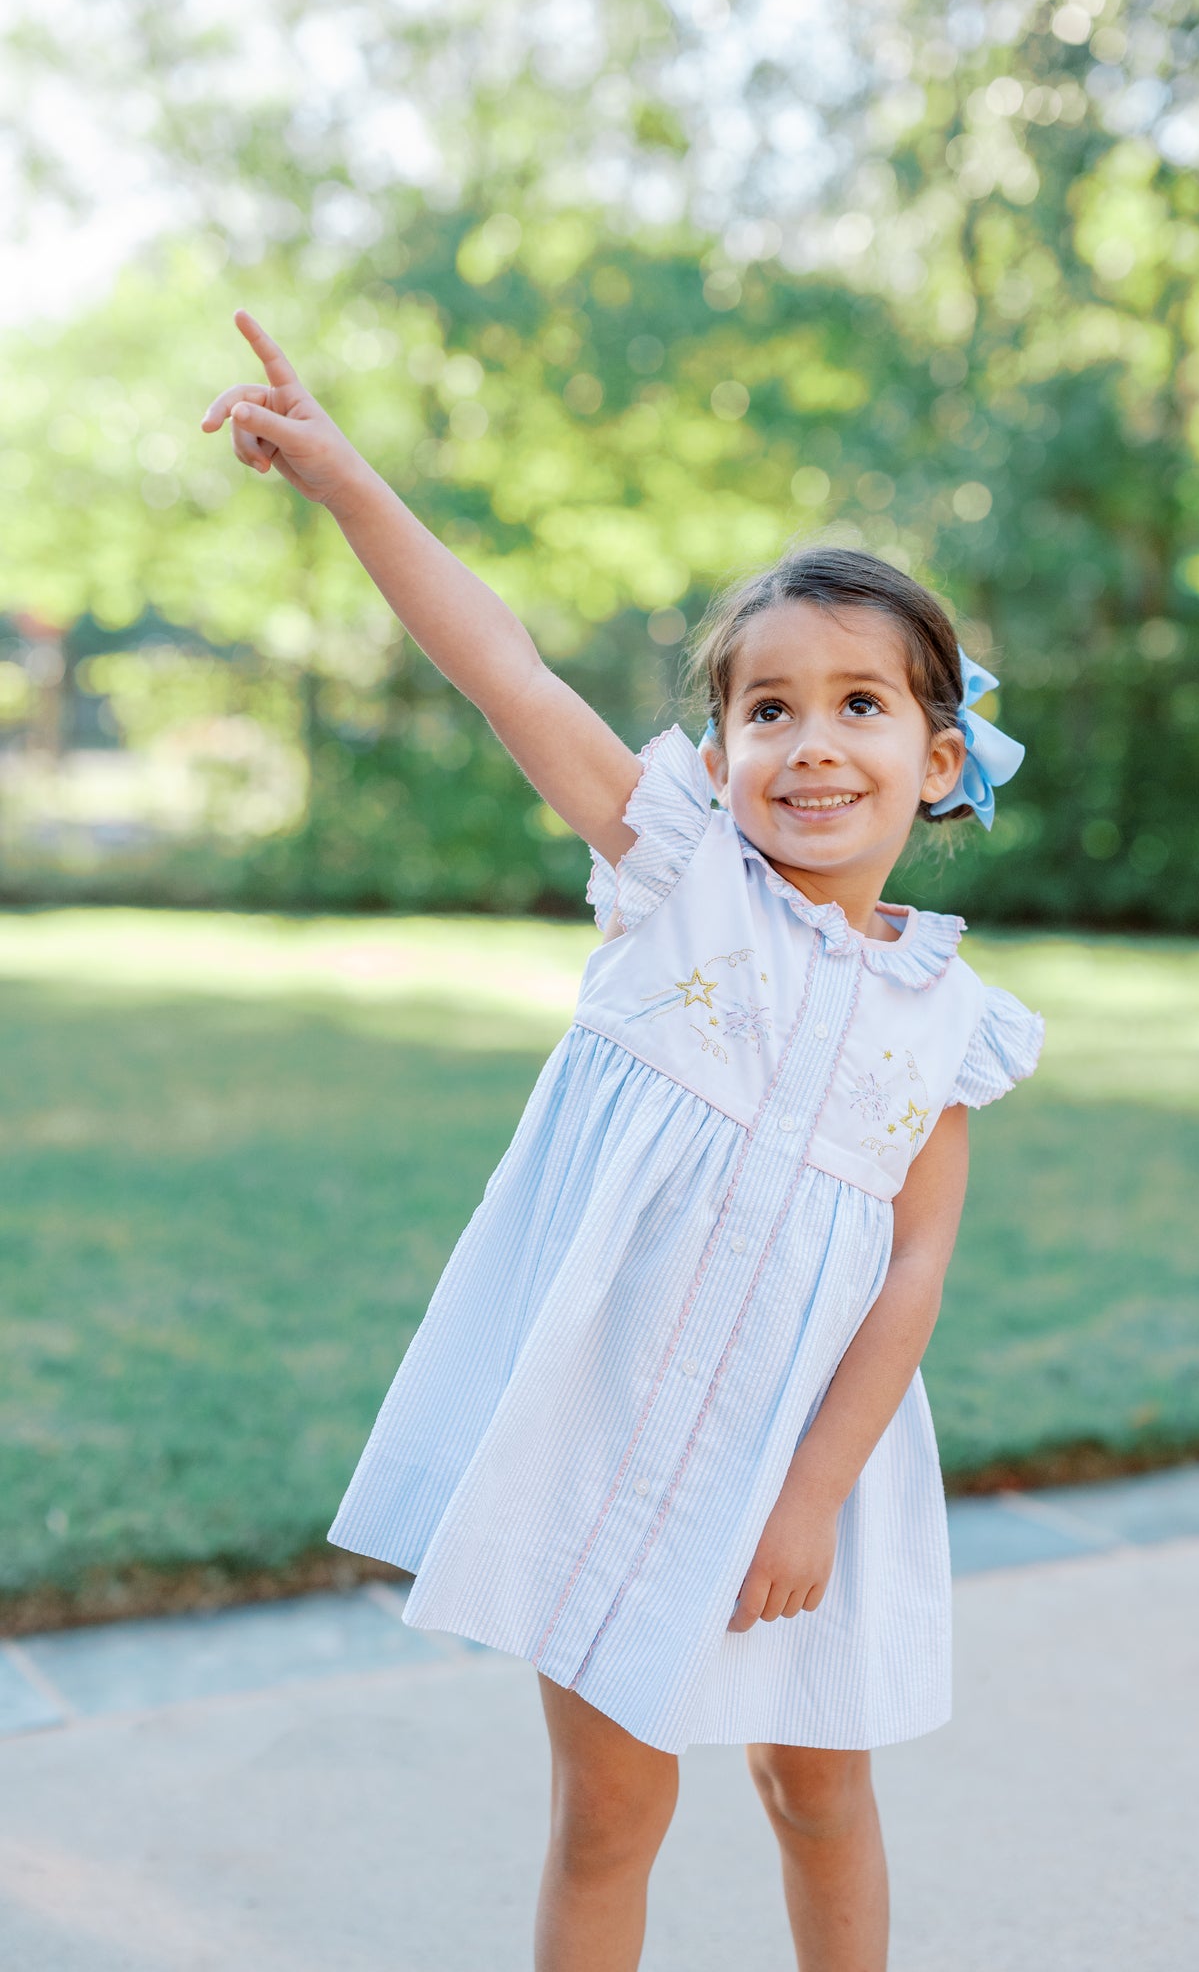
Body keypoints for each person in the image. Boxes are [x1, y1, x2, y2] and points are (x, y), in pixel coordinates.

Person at [202, 308, 1045, 1972]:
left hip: (815, 1475)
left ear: (934, 757)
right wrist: (346, 477)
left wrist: (810, 1497)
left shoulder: (949, 1022)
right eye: (771, 711)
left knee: (818, 1794)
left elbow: (913, 1270)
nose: (813, 743)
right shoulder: (675, 889)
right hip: (618, 1445)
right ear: (718, 753)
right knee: (607, 1813)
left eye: (861, 705)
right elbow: (501, 661)